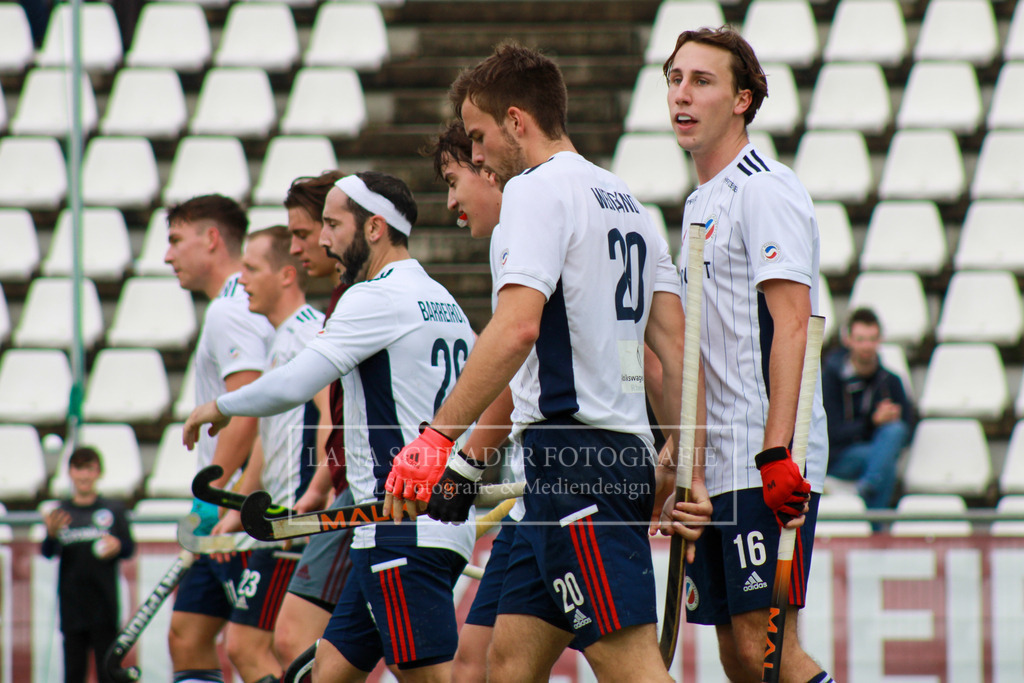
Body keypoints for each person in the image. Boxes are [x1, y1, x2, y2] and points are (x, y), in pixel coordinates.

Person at [383, 43, 709, 682]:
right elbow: (672, 354)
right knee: (507, 664)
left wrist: (435, 440)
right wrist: (676, 456)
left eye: (478, 138)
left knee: (631, 666)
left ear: (515, 120)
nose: (476, 157)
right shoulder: (629, 203)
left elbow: (515, 329)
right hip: (602, 459)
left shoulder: (533, 192)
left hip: (574, 463)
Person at [182, 171, 478, 682]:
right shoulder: (440, 297)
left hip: (401, 528)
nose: (322, 240)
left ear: (374, 228)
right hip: (394, 529)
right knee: (327, 672)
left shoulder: (375, 296)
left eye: (333, 224)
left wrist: (221, 406)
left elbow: (296, 382)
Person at [662, 27, 834, 683]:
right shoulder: (699, 202)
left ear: (742, 99)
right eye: (675, 79)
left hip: (767, 461)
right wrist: (688, 450)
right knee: (739, 655)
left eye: (701, 81)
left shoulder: (765, 188)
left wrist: (776, 452)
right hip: (724, 461)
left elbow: (793, 323)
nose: (682, 94)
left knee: (771, 654)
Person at [164, 194, 274, 683]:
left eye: (175, 240)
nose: (167, 256)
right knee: (187, 636)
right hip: (229, 498)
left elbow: (248, 409)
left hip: (240, 503)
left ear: (211, 240)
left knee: (251, 650)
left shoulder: (229, 310)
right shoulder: (236, 304)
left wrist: (220, 502)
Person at [216, 224, 325, 682]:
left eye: (252, 268)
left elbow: (333, 416)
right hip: (278, 516)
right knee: (256, 646)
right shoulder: (281, 339)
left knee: (256, 645)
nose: (241, 280)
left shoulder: (310, 333)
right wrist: (241, 505)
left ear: (285, 275)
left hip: (297, 519)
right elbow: (267, 434)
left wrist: (316, 491)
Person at [273, 170, 361, 672]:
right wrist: (321, 484)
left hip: (369, 499)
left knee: (293, 640)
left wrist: (219, 409)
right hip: (357, 492)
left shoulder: (357, 299)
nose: (298, 247)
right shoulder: (343, 297)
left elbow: (333, 410)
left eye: (304, 234)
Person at [42, 447, 135, 683]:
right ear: (70, 473)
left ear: (98, 472)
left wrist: (117, 546)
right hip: (72, 608)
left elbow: (129, 549)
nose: (84, 475)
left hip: (104, 606)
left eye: (89, 468)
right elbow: (47, 552)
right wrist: (51, 535)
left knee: (108, 673)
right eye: (78, 468)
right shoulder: (61, 512)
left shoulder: (113, 510)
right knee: (74, 674)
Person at [822, 307, 915, 509]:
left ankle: (867, 488)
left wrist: (890, 420)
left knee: (895, 431)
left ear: (880, 340)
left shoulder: (891, 381)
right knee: (885, 463)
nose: (867, 346)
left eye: (872, 339)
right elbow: (831, 433)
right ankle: (875, 529)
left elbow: (908, 427)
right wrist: (873, 422)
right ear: (848, 340)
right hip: (840, 457)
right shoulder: (831, 380)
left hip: (874, 453)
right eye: (861, 339)